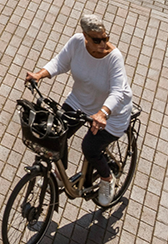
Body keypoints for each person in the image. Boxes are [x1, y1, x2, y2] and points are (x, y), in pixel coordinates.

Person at [25, 14, 134, 207]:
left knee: (90, 147)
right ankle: (60, 175)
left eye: (105, 38)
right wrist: (39, 75)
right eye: (97, 40)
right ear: (85, 36)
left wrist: (103, 113)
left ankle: (107, 179)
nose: (103, 44)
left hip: (112, 113)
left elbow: (118, 92)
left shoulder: (113, 58)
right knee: (55, 134)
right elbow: (60, 63)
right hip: (80, 102)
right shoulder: (77, 42)